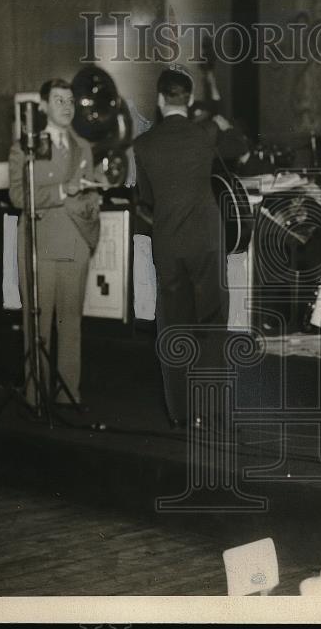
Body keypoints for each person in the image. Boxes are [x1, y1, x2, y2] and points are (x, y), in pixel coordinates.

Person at [132, 68, 228, 429]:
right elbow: (238, 149)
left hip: (169, 242)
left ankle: (180, 413)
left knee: (173, 324)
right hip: (206, 240)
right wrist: (220, 119)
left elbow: (146, 198)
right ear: (188, 99)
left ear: (159, 100)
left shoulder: (143, 145)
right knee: (212, 322)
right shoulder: (207, 132)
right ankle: (213, 410)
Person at [8, 78, 101, 409]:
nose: (67, 106)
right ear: (43, 105)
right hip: (39, 243)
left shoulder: (83, 147)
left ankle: (68, 394)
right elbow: (18, 196)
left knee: (71, 322)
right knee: (39, 323)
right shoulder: (26, 146)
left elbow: (86, 193)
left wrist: (93, 196)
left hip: (75, 241)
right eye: (59, 100)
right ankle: (37, 395)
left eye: (71, 101)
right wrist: (65, 191)